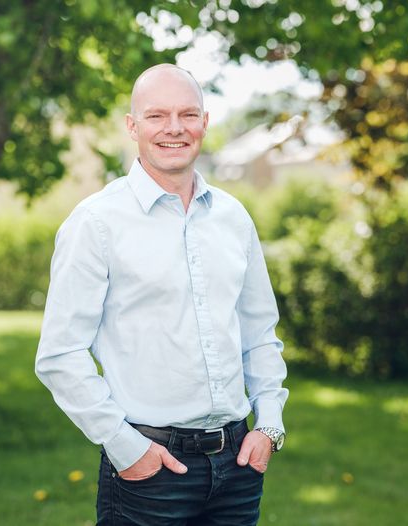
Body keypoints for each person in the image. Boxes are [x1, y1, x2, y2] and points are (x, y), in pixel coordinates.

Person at [35, 63, 288, 526]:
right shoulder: (96, 222)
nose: (174, 128)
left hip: (238, 465)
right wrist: (125, 446)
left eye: (188, 114)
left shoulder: (233, 217)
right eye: (156, 116)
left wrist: (268, 424)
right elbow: (60, 354)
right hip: (148, 471)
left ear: (205, 123)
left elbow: (259, 333)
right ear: (132, 126)